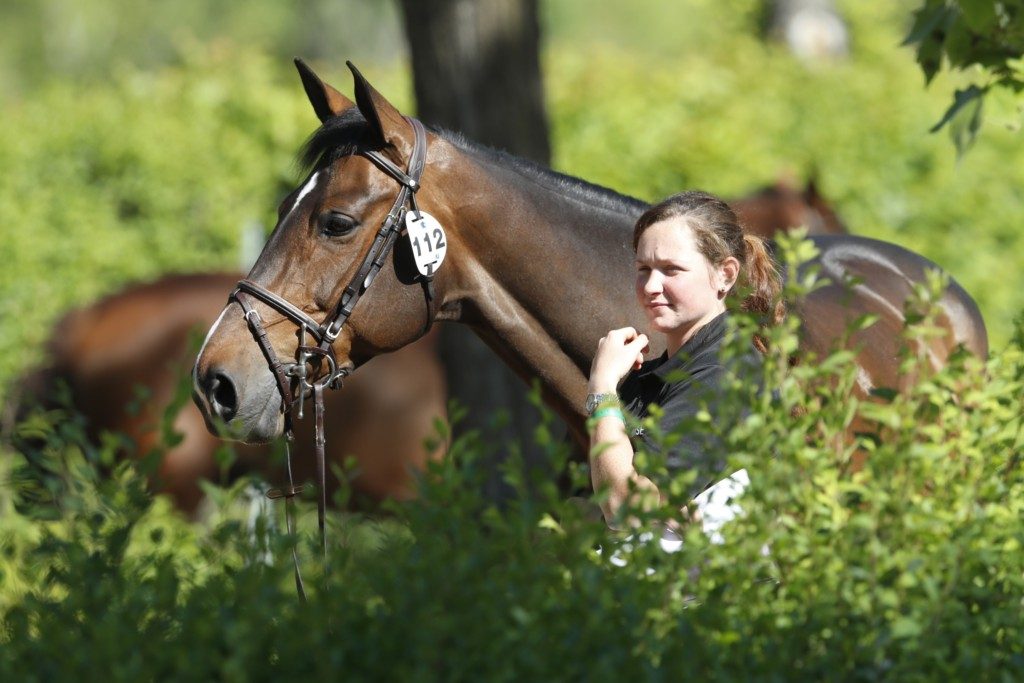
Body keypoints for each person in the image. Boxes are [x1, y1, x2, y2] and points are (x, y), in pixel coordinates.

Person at [586, 190, 784, 533]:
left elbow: (626, 509)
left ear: (725, 274)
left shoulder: (722, 376)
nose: (650, 285)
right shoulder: (647, 376)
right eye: (643, 269)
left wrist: (602, 390)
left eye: (671, 270)